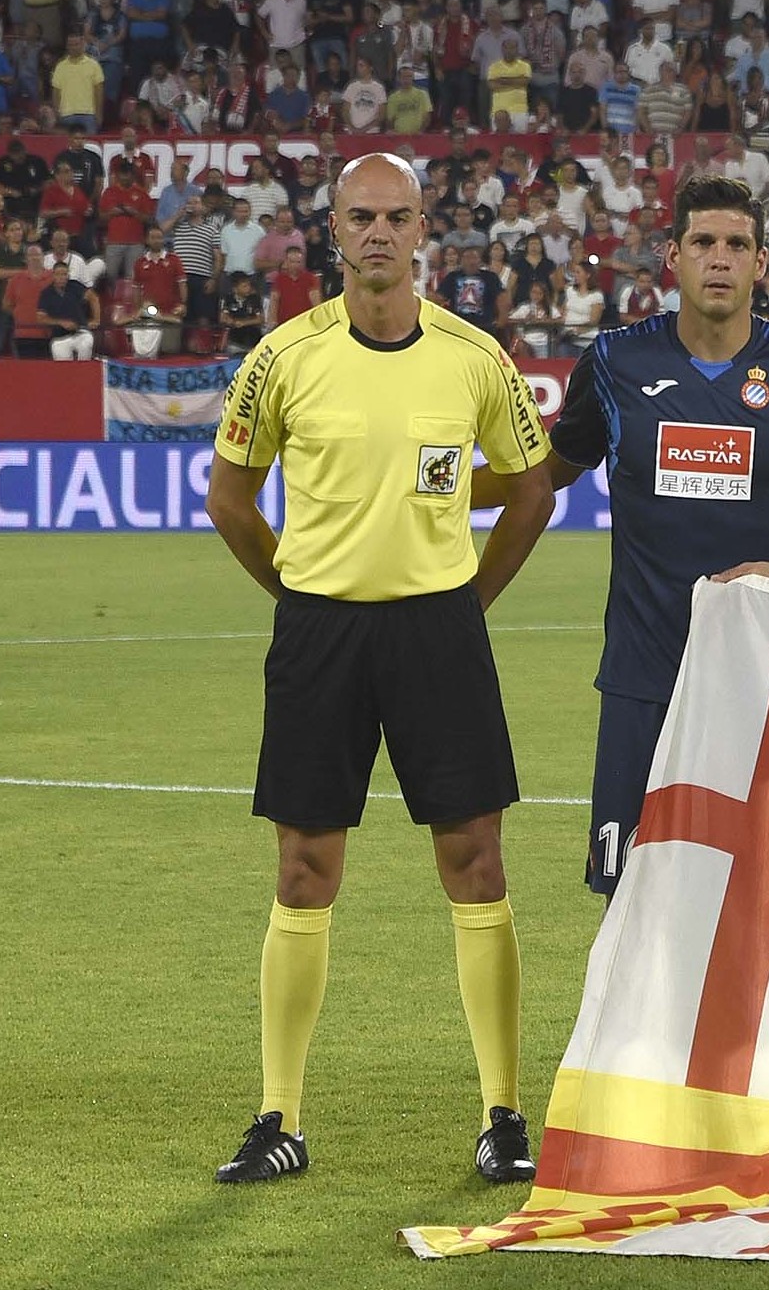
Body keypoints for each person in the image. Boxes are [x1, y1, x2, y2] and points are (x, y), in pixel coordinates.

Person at [204, 153, 556, 1186]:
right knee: (305, 866)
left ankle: (502, 1115)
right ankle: (279, 1118)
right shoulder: (281, 357)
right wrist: (298, 596)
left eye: (397, 217)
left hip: (438, 632)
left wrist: (470, 603)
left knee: (476, 862)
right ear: (332, 228)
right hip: (321, 634)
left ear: (423, 229)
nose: (379, 235)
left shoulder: (474, 357)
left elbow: (532, 489)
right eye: (361, 217)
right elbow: (231, 496)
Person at [472, 176, 769, 899]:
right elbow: (551, 471)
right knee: (628, 893)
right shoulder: (616, 363)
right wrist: (454, 490)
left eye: (736, 245)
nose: (720, 258)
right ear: (672, 257)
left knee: (757, 892)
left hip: (762, 671)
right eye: (704, 243)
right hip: (641, 674)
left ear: (761, 263)